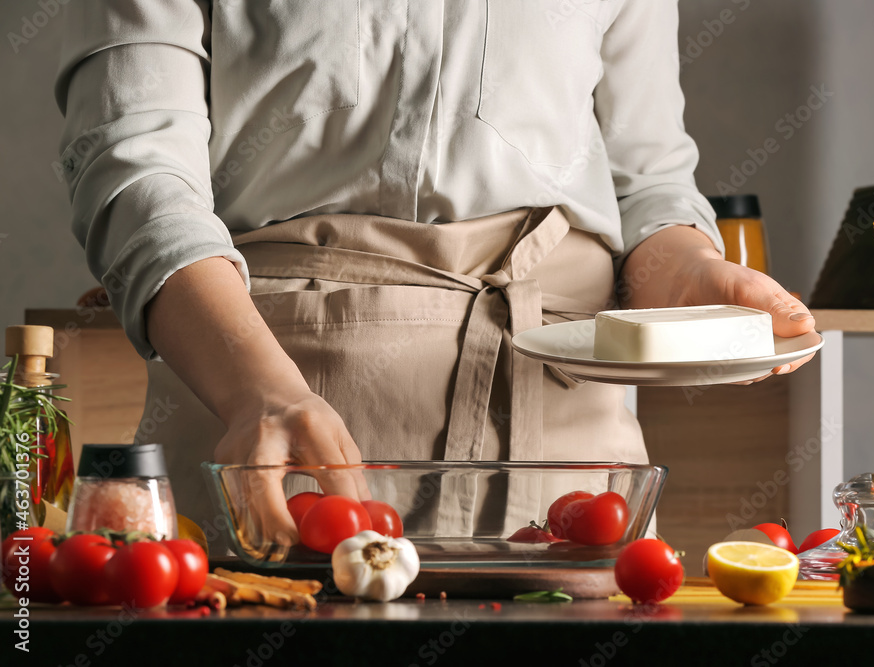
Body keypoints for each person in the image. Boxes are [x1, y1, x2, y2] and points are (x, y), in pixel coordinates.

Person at [56, 1, 815, 548]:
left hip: (571, 475)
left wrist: (684, 274)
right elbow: (133, 171)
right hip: (273, 436)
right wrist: (260, 389)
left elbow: (645, 180)